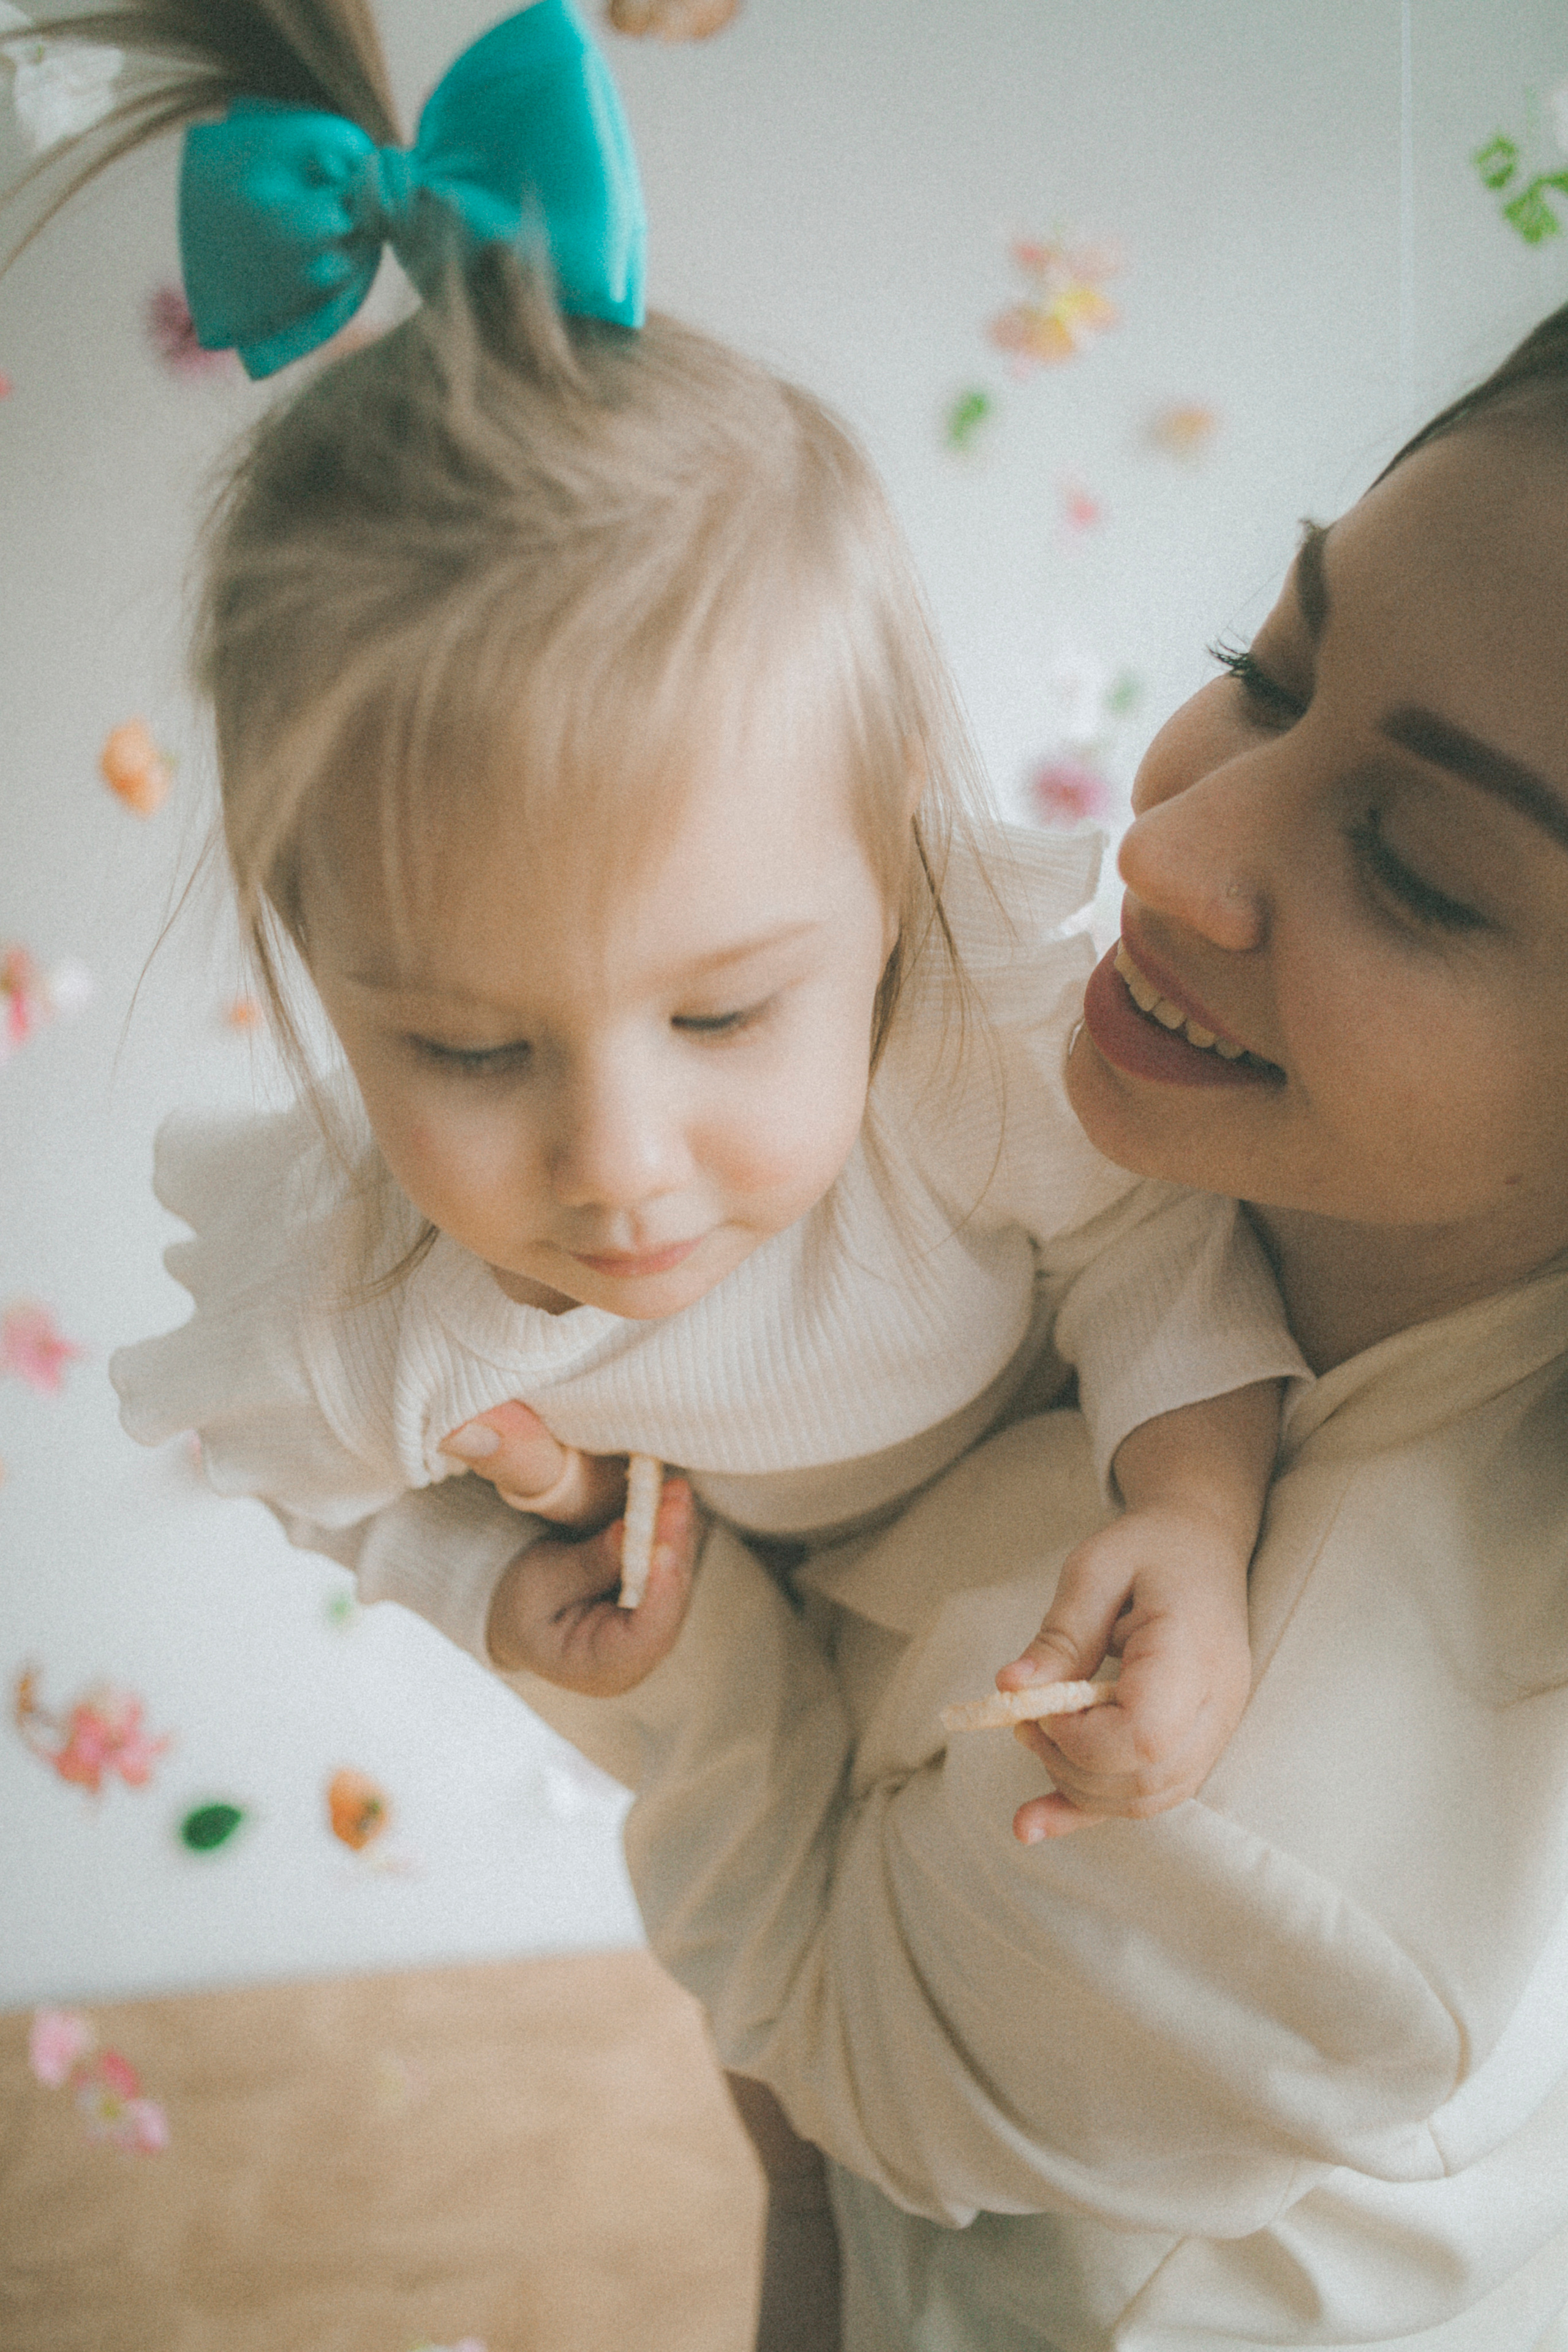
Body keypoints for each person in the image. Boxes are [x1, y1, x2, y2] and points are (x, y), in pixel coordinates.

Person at [440, 303, 1568, 2346]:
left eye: (1410, 864)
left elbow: (824, 2088)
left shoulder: (1275, 1834)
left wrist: (668, 1649)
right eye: (1269, 673)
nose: (1164, 847)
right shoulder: (1163, 1161)